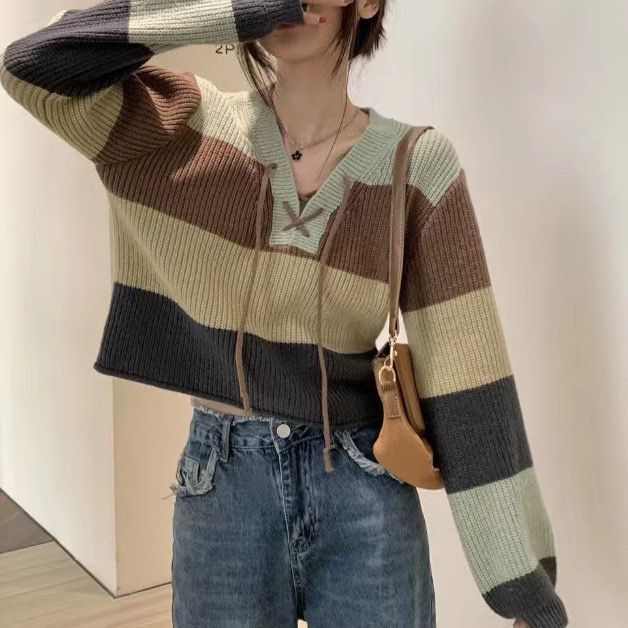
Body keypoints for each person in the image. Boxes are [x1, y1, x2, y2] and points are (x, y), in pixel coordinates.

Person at [0, 1, 568, 626]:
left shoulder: (416, 165)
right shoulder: (183, 124)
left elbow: (469, 375)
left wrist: (523, 586)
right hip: (222, 484)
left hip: (361, 485)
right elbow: (34, 65)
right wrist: (239, 10)